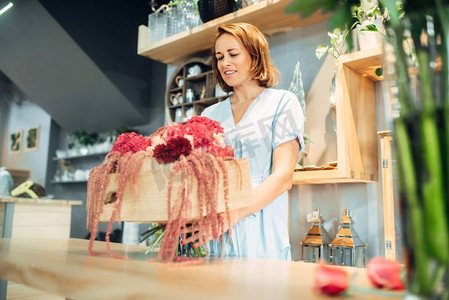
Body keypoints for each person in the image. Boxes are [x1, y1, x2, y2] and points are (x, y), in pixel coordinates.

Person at [187, 22, 304, 260]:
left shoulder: (283, 102)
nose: (224, 63)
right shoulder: (209, 115)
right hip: (215, 234)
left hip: (261, 227)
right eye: (219, 57)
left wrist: (230, 216)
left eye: (233, 54)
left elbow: (283, 177)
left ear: (254, 55)